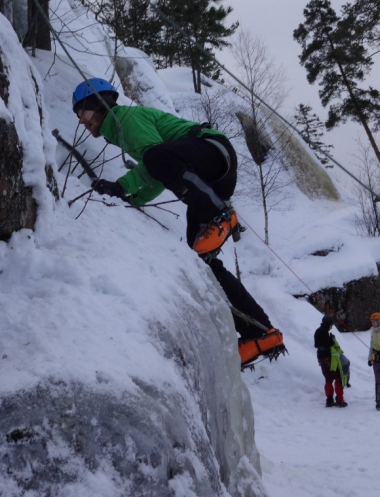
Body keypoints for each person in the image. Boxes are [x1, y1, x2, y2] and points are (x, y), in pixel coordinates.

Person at [72, 78, 283, 354]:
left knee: (157, 158)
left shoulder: (127, 119)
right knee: (200, 261)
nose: (81, 122)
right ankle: (260, 332)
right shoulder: (120, 131)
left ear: (99, 105)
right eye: (77, 117)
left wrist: (122, 187)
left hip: (211, 149)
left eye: (83, 113)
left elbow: (155, 161)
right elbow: (158, 172)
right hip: (208, 173)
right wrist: (132, 199)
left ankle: (220, 216)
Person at [314, 315, 348, 408]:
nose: (331, 327)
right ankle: (340, 400)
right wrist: (331, 340)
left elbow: (316, 345)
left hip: (321, 359)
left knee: (328, 379)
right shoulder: (324, 332)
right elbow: (328, 345)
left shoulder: (317, 331)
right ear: (328, 324)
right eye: (331, 325)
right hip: (329, 358)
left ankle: (329, 400)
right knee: (338, 378)